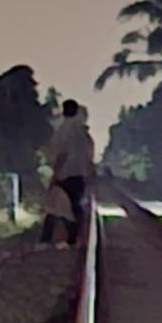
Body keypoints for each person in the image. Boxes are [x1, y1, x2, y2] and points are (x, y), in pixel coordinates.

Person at [39, 99, 92, 249]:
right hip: (79, 174)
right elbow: (88, 154)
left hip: (64, 174)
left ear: (64, 111)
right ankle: (78, 238)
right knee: (75, 207)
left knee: (54, 207)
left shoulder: (63, 130)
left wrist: (55, 174)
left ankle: (47, 239)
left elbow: (61, 155)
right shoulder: (82, 132)